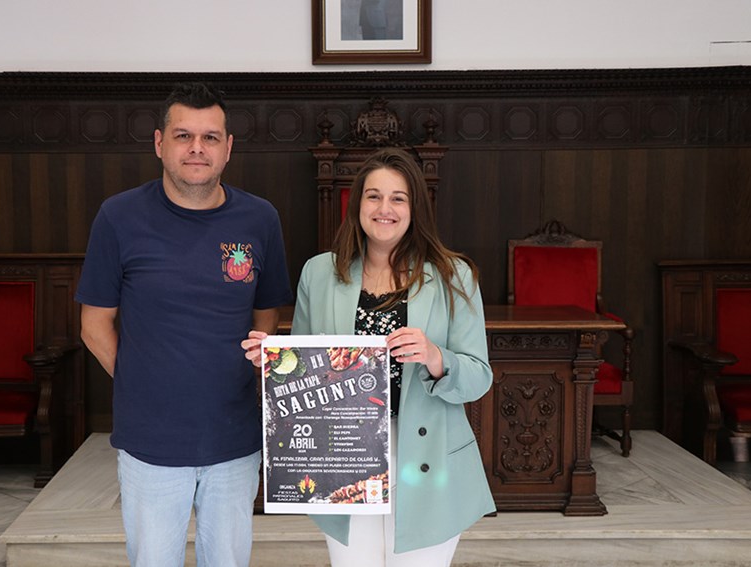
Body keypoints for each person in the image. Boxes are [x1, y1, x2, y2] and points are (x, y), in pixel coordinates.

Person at [243, 148, 495, 566]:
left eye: (398, 198)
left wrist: (436, 356)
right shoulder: (319, 273)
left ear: (415, 207)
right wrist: (272, 361)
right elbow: (305, 365)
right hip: (344, 453)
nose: (384, 209)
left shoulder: (454, 276)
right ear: (357, 203)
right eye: (373, 196)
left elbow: (479, 377)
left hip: (429, 457)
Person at [76, 82, 292, 567]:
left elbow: (266, 315)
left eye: (210, 137)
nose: (197, 148)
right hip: (150, 439)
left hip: (234, 436)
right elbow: (94, 324)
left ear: (228, 147)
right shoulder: (118, 216)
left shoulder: (260, 219)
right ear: (159, 143)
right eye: (183, 136)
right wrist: (142, 382)